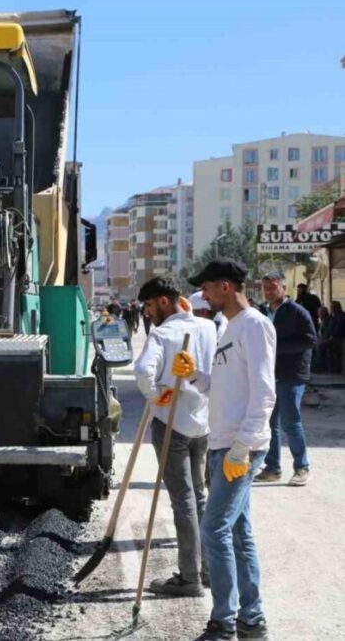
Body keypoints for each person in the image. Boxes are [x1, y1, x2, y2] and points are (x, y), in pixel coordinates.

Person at [176, 258, 275, 641]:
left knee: (213, 529)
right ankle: (252, 621)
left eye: (206, 287)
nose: (202, 295)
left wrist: (243, 447)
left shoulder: (254, 326)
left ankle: (224, 622)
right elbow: (225, 387)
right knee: (237, 534)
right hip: (224, 444)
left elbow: (265, 393)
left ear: (225, 287)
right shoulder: (229, 328)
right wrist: (195, 377)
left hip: (238, 448)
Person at [134, 276, 217, 597]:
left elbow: (143, 371)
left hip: (171, 424)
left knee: (183, 501)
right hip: (203, 423)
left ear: (164, 302)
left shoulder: (163, 334)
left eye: (150, 305)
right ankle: (208, 569)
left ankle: (189, 578)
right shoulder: (209, 328)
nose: (148, 312)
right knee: (200, 497)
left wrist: (155, 395)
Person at [253, 272, 317, 486]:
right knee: (269, 423)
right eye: (266, 288)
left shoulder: (297, 311)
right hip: (269, 375)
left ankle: (302, 467)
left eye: (273, 287)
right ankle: (272, 468)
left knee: (290, 422)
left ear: (283, 287)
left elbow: (310, 339)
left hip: (292, 375)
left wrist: (277, 348)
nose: (269, 292)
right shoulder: (263, 311)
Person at [331, 301, 345, 374]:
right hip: (336, 338)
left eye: (332, 307)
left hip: (340, 339)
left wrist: (332, 336)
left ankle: (336, 369)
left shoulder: (341, 316)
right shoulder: (335, 316)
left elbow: (338, 329)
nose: (331, 309)